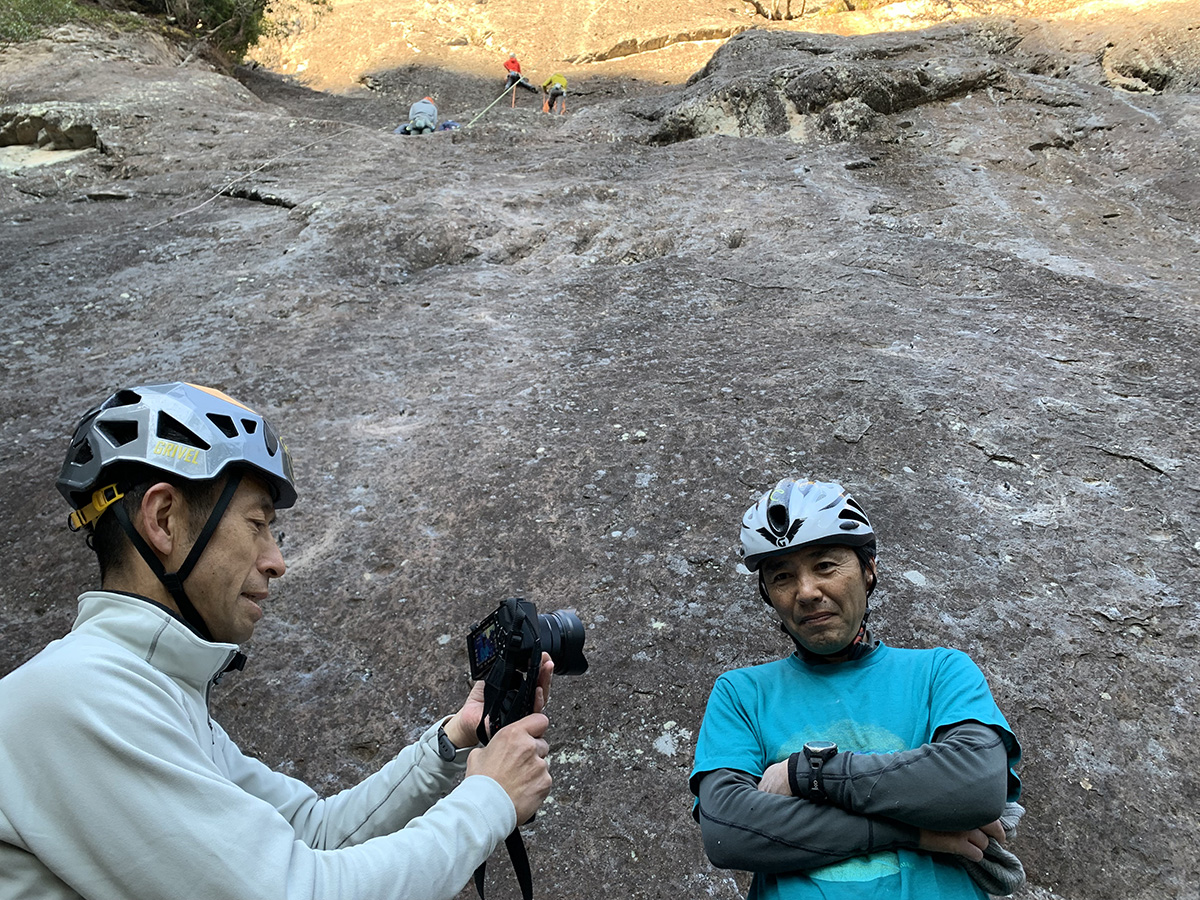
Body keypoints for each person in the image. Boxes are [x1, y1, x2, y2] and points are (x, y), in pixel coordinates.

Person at [0, 381, 554, 900]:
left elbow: (319, 832)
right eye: (255, 524)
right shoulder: (83, 699)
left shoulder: (151, 687)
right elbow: (299, 891)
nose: (277, 561)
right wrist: (488, 802)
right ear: (163, 520)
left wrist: (451, 745)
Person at [690, 478, 1025, 899]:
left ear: (869, 569)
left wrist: (807, 775)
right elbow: (728, 831)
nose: (807, 591)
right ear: (768, 595)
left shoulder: (940, 671)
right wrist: (918, 831)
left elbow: (975, 785)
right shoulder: (741, 694)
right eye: (782, 577)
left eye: (826, 565)